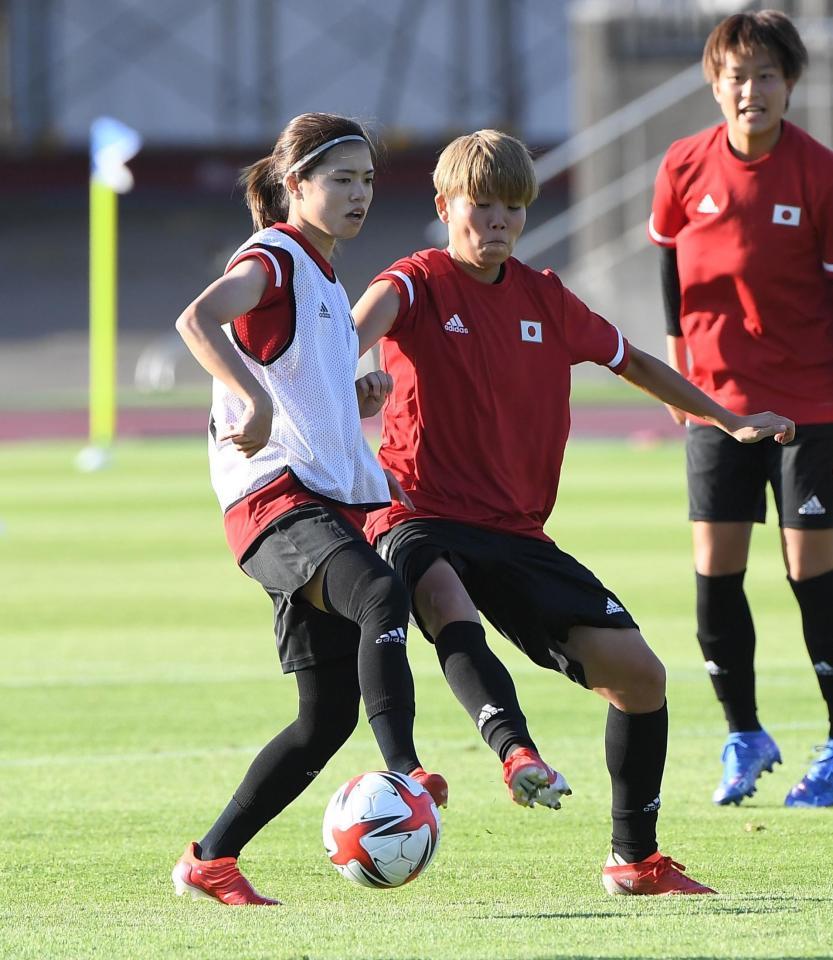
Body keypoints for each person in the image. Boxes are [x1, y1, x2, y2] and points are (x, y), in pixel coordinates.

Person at [352, 128, 795, 896]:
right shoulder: (416, 281)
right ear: (444, 206)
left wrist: (725, 419)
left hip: (516, 531)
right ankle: (514, 751)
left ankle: (634, 860)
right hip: (416, 510)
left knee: (641, 677)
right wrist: (354, 371)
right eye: (481, 205)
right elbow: (352, 330)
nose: (497, 222)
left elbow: (637, 360)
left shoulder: (543, 298)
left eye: (512, 209)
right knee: (443, 596)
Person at [170, 112, 446, 907]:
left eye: (366, 180)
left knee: (324, 721)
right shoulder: (276, 257)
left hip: (316, 502)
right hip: (271, 501)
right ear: (296, 186)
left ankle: (210, 861)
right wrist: (248, 398)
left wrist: (348, 394)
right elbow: (198, 318)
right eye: (340, 179)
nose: (358, 193)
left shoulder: (323, 279)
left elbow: (299, 387)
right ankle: (405, 770)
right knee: (379, 592)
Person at [649, 11, 833, 808]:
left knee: (809, 578)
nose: (748, 90)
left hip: (811, 404)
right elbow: (667, 264)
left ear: (789, 84)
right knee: (714, 576)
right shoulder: (682, 165)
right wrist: (680, 378)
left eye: (764, 75)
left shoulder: (819, 174)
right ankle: (743, 734)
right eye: (735, 75)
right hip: (716, 407)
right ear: (712, 82)